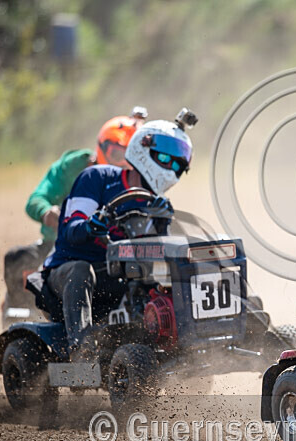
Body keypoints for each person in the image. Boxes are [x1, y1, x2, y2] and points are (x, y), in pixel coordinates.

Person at [42, 110, 194, 356]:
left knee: (170, 274)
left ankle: (180, 341)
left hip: (116, 278)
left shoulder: (156, 203)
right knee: (82, 268)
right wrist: (92, 225)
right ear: (144, 151)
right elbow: (70, 230)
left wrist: (162, 223)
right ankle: (82, 350)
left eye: (178, 165)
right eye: (166, 159)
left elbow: (154, 257)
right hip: (67, 274)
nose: (171, 168)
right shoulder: (97, 178)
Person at [2, 107, 148, 325]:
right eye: (116, 154)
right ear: (101, 148)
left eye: (128, 157)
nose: (121, 163)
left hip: (112, 254)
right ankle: (19, 317)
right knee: (17, 259)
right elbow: (37, 198)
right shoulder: (75, 165)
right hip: (60, 249)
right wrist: (47, 213)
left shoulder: (137, 181)